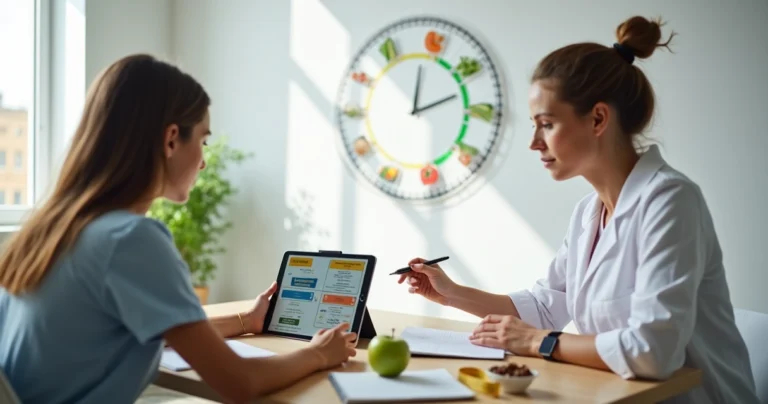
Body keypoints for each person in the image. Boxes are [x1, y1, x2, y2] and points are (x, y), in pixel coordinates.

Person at [398, 15, 759, 404]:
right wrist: (450, 292)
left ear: (598, 119)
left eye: (547, 124)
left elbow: (652, 353)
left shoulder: (671, 202)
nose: (535, 143)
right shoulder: (589, 212)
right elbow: (541, 309)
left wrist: (538, 342)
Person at [0, 54, 356, 404]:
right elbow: (238, 383)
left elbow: (163, 333)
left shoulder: (54, 228)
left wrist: (246, 320)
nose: (202, 161)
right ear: (171, 139)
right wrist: (320, 354)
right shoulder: (130, 239)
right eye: (202, 140)